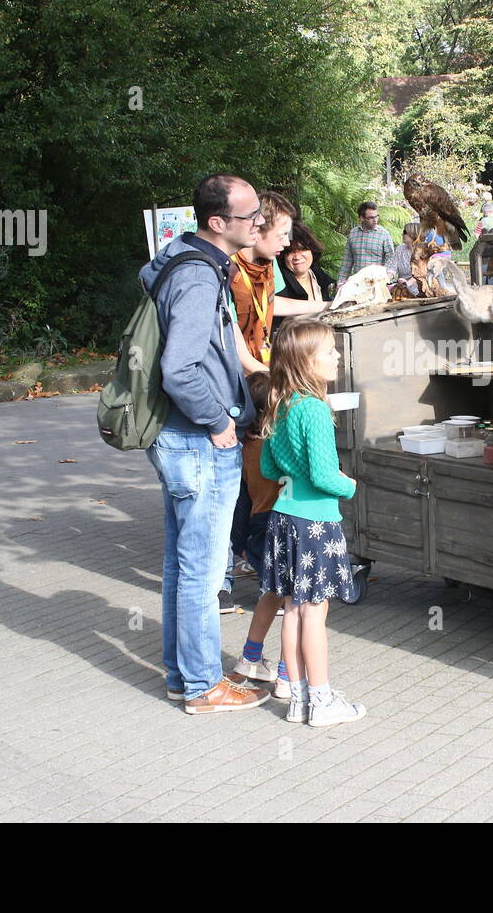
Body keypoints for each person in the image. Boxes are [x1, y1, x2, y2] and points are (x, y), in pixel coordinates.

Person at [139, 173, 268, 714]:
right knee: (202, 569)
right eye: (250, 217)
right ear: (218, 223)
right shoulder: (197, 277)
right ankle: (200, 686)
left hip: (181, 439)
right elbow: (180, 369)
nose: (259, 224)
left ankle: (182, 676)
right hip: (196, 440)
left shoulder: (185, 261)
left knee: (182, 564)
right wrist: (219, 422)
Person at [225, 192, 327, 696]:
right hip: (251, 407)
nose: (291, 242)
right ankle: (294, 680)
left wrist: (321, 304)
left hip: (263, 408)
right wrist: (271, 374)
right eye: (283, 231)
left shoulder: (262, 275)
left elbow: (269, 310)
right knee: (283, 576)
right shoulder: (231, 275)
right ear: (258, 228)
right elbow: (231, 338)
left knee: (275, 574)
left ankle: (251, 657)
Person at [259, 316, 365, 727]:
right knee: (314, 614)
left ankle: (299, 699)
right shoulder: (316, 410)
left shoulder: (282, 405)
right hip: (315, 524)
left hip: (283, 520)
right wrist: (350, 485)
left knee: (293, 611)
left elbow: (269, 466)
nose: (337, 356)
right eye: (329, 351)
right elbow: (324, 475)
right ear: (306, 361)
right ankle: (322, 701)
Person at [276, 222, 333, 321]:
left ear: (312, 250)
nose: (297, 257)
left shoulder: (319, 276)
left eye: (302, 249)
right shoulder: (279, 285)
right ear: (282, 256)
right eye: (290, 252)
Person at [336, 201, 394, 286]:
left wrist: (385, 276)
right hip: (357, 283)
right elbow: (347, 260)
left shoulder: (384, 234)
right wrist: (341, 281)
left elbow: (391, 258)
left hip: (376, 283)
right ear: (361, 218)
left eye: (376, 216)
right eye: (371, 218)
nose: (375, 220)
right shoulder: (353, 233)